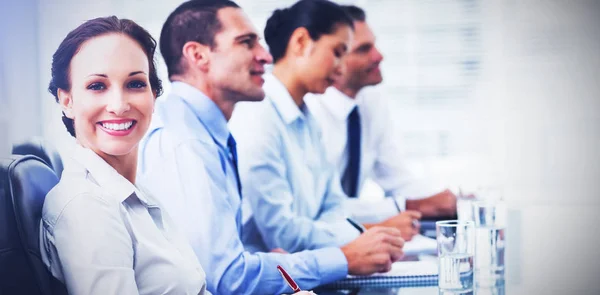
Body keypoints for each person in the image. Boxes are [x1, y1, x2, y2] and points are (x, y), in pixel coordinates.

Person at [137, 1, 404, 294]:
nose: (265, 56)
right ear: (198, 55)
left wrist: (273, 263)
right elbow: (227, 279)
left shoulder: (206, 132)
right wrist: (343, 257)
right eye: (247, 42)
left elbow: (231, 262)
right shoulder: (186, 143)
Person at [227, 0, 413, 257]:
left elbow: (334, 205)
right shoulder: (257, 117)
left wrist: (350, 234)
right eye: (337, 52)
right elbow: (282, 234)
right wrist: (358, 236)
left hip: (310, 264)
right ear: (301, 42)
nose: (341, 67)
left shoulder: (307, 118)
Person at [40, 16, 209, 295]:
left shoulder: (133, 193)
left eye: (135, 84)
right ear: (67, 101)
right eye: (97, 86)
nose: (118, 105)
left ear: (154, 96)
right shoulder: (87, 206)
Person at [304, 5, 458, 222]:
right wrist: (407, 206)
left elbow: (395, 178)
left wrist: (444, 199)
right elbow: (319, 208)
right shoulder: (308, 111)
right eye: (363, 49)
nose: (379, 56)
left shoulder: (370, 101)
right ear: (335, 58)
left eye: (374, 45)